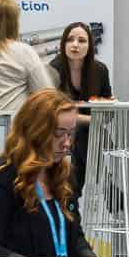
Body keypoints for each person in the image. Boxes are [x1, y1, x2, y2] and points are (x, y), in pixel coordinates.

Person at [0, 90, 103, 257]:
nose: (67, 143)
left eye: (70, 134)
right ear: (35, 132)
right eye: (59, 134)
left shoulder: (63, 175)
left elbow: (75, 237)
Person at [49, 21, 112, 191]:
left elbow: (107, 107)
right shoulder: (53, 69)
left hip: (90, 132)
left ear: (90, 45)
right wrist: (90, 120)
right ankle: (110, 190)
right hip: (57, 130)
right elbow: (52, 112)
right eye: (70, 40)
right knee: (87, 134)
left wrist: (107, 108)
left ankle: (71, 196)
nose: (75, 44)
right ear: (63, 44)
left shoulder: (100, 70)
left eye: (82, 40)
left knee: (86, 136)